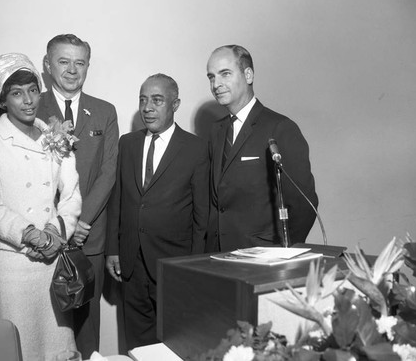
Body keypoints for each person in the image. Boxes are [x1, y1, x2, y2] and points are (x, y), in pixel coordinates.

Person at [0, 53, 82, 361]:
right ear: (2, 100)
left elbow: (71, 194)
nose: (28, 100)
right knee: (20, 345)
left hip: (53, 257)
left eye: (32, 90)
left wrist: (56, 233)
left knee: (58, 344)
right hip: (13, 262)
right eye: (17, 93)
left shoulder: (56, 136)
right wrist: (32, 235)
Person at [106, 73, 209, 350]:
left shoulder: (196, 148)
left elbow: (202, 216)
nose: (147, 107)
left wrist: (194, 266)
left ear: (175, 104)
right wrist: (113, 250)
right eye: (143, 100)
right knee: (137, 343)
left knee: (177, 341)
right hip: (131, 262)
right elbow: (118, 200)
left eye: (157, 100)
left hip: (174, 264)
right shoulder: (127, 144)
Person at [37, 34, 119, 358]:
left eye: (80, 62)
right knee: (47, 326)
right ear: (48, 65)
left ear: (87, 66)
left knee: (87, 327)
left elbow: (108, 171)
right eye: (64, 61)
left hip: (90, 237)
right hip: (46, 234)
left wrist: (81, 221)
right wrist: (61, 224)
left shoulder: (104, 111)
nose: (72, 70)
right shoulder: (32, 106)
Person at [206, 45, 318, 252]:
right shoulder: (216, 131)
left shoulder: (280, 128)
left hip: (263, 258)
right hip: (219, 257)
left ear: (248, 75)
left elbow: (303, 205)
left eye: (225, 74)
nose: (216, 84)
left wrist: (282, 252)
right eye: (211, 77)